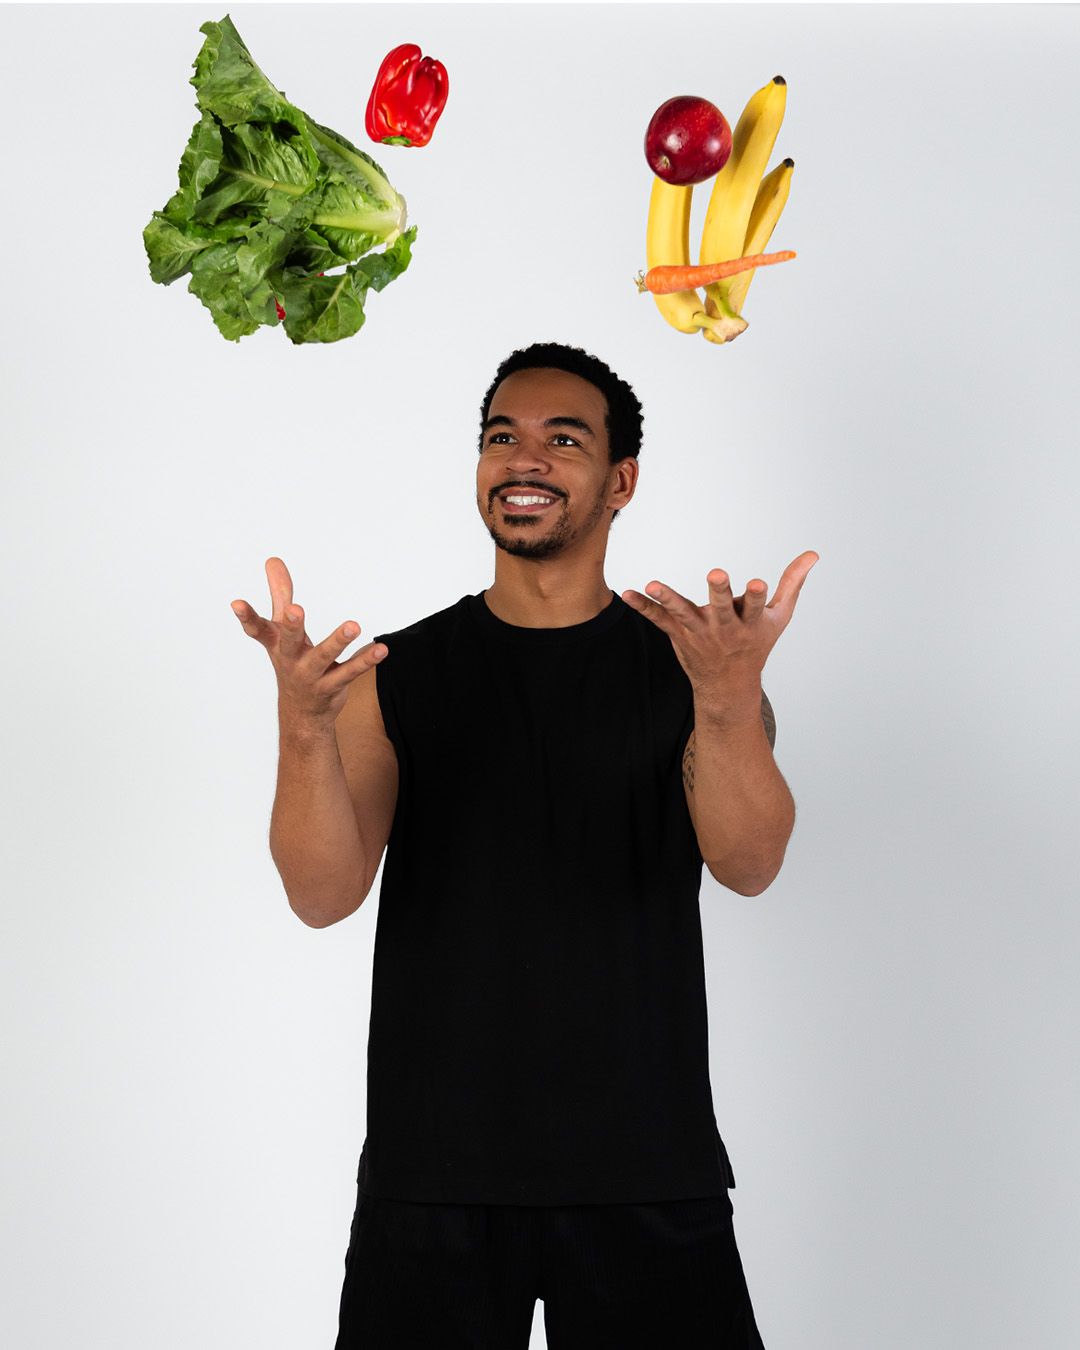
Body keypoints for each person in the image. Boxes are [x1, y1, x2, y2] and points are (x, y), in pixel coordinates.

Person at [231, 342, 818, 1348]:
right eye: (502, 438)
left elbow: (751, 863)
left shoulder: (694, 672)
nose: (524, 459)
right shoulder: (394, 674)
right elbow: (322, 892)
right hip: (433, 1180)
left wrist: (724, 702)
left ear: (620, 480)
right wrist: (301, 727)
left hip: (646, 1166)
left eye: (562, 439)